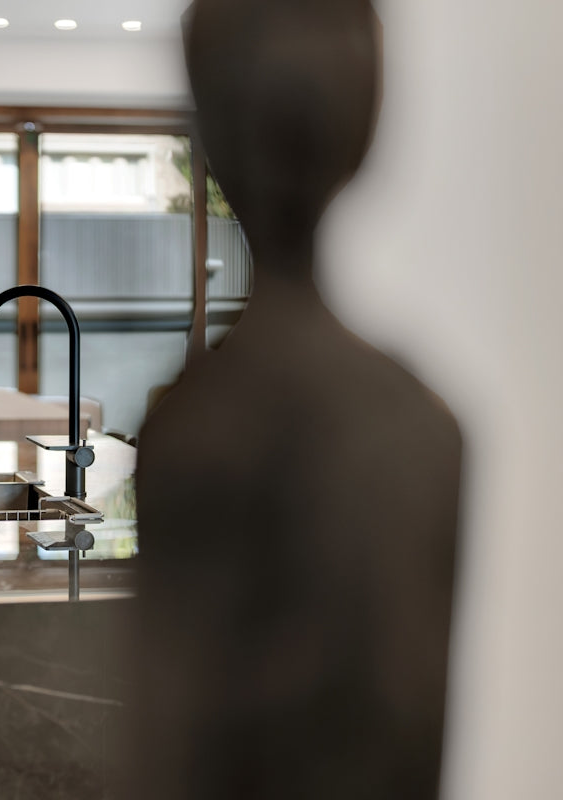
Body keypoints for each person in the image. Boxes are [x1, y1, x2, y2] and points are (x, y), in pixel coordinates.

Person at [127, 1, 463, 796]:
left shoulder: (198, 427)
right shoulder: (421, 420)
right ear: (365, 136)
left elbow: (176, 756)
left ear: (209, 138)